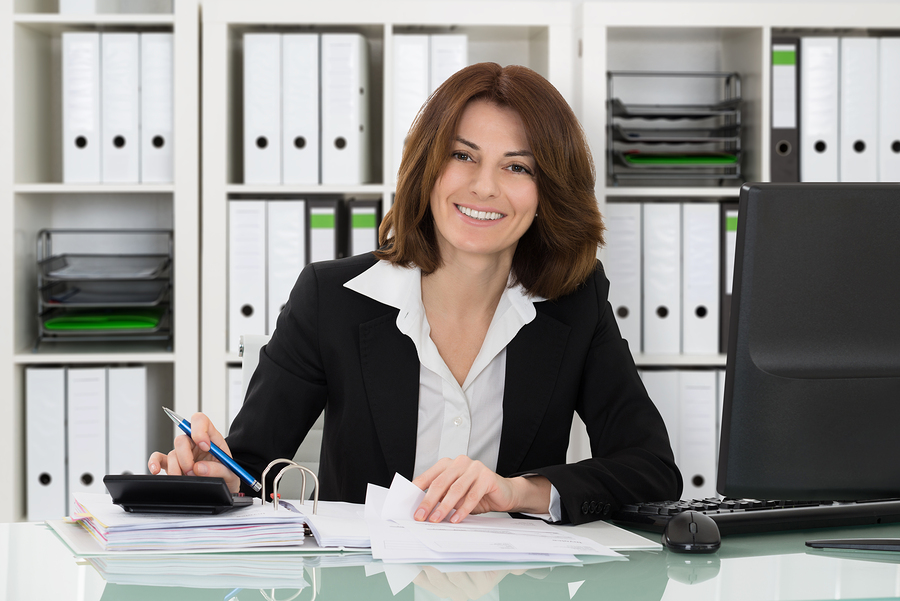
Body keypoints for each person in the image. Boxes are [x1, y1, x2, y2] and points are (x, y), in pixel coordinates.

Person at [149, 62, 682, 525]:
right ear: (428, 168)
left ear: (549, 192)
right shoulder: (330, 298)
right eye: (463, 156)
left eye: (517, 166)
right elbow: (252, 464)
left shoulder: (575, 302)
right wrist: (215, 474)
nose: (485, 187)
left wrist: (518, 492)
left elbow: (651, 468)